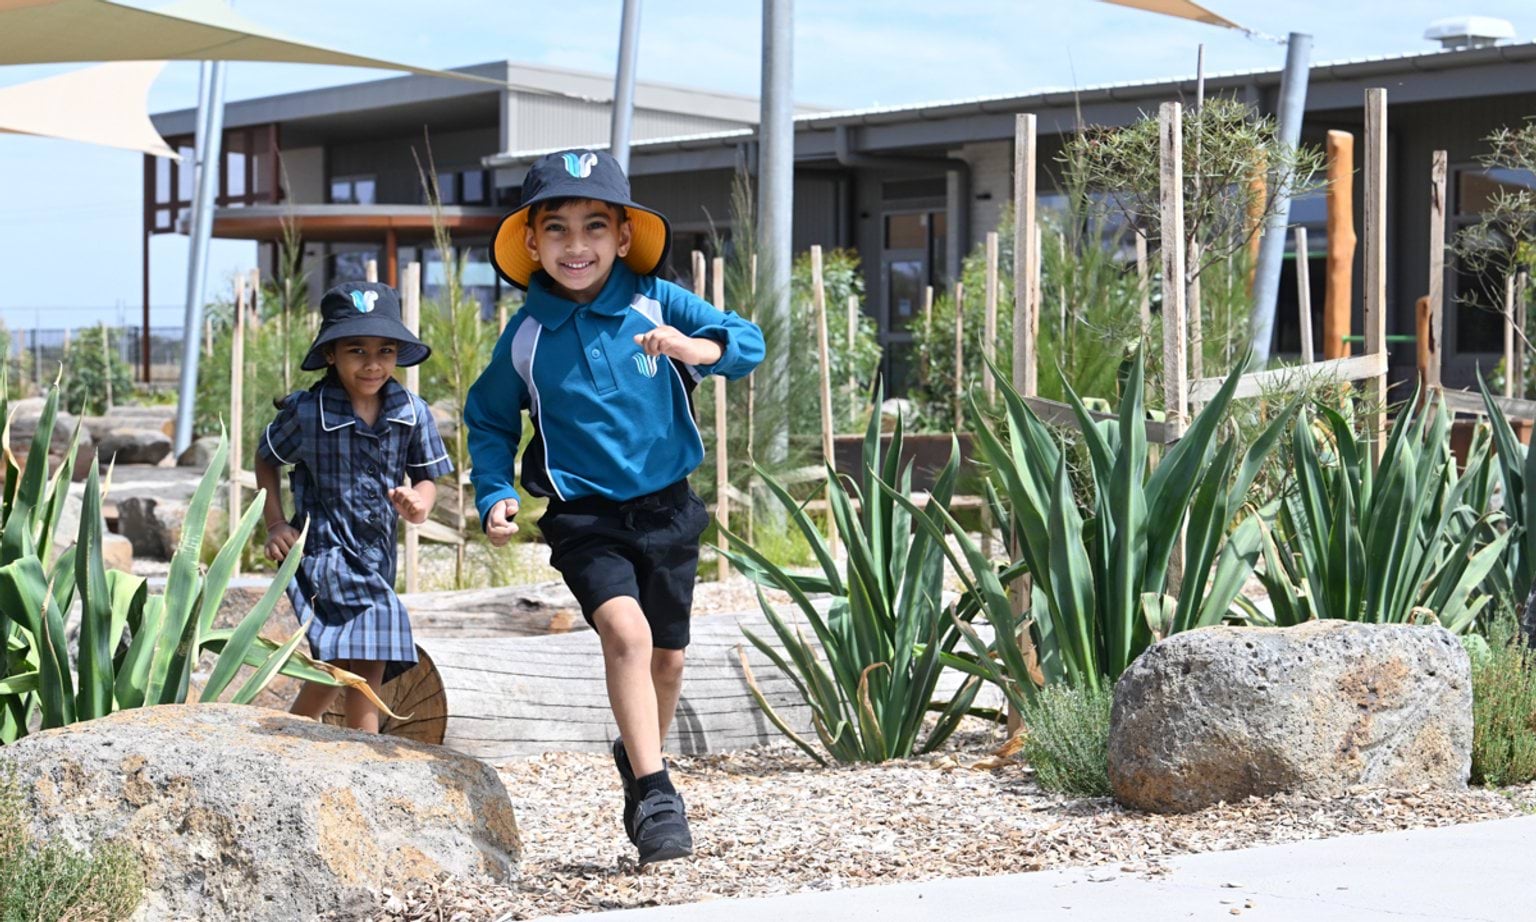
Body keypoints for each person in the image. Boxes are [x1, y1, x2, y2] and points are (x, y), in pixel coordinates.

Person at [466, 148, 764, 865]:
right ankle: (657, 793)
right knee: (626, 635)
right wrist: (495, 490)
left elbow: (746, 342)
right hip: (585, 518)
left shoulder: (655, 299)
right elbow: (489, 419)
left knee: (668, 661)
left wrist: (697, 348)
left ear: (624, 236)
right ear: (532, 242)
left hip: (668, 510)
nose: (577, 245)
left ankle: (637, 759)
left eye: (594, 227)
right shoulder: (526, 335)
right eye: (558, 229)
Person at [255, 280, 453, 733]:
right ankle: (367, 748)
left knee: (341, 660)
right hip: (323, 552)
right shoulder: (308, 414)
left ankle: (289, 733)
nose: (373, 363)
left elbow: (427, 477)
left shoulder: (412, 412)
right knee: (377, 635)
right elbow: (266, 458)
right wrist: (275, 524)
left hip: (377, 557)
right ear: (330, 354)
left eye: (385, 351)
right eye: (357, 350)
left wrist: (419, 505)